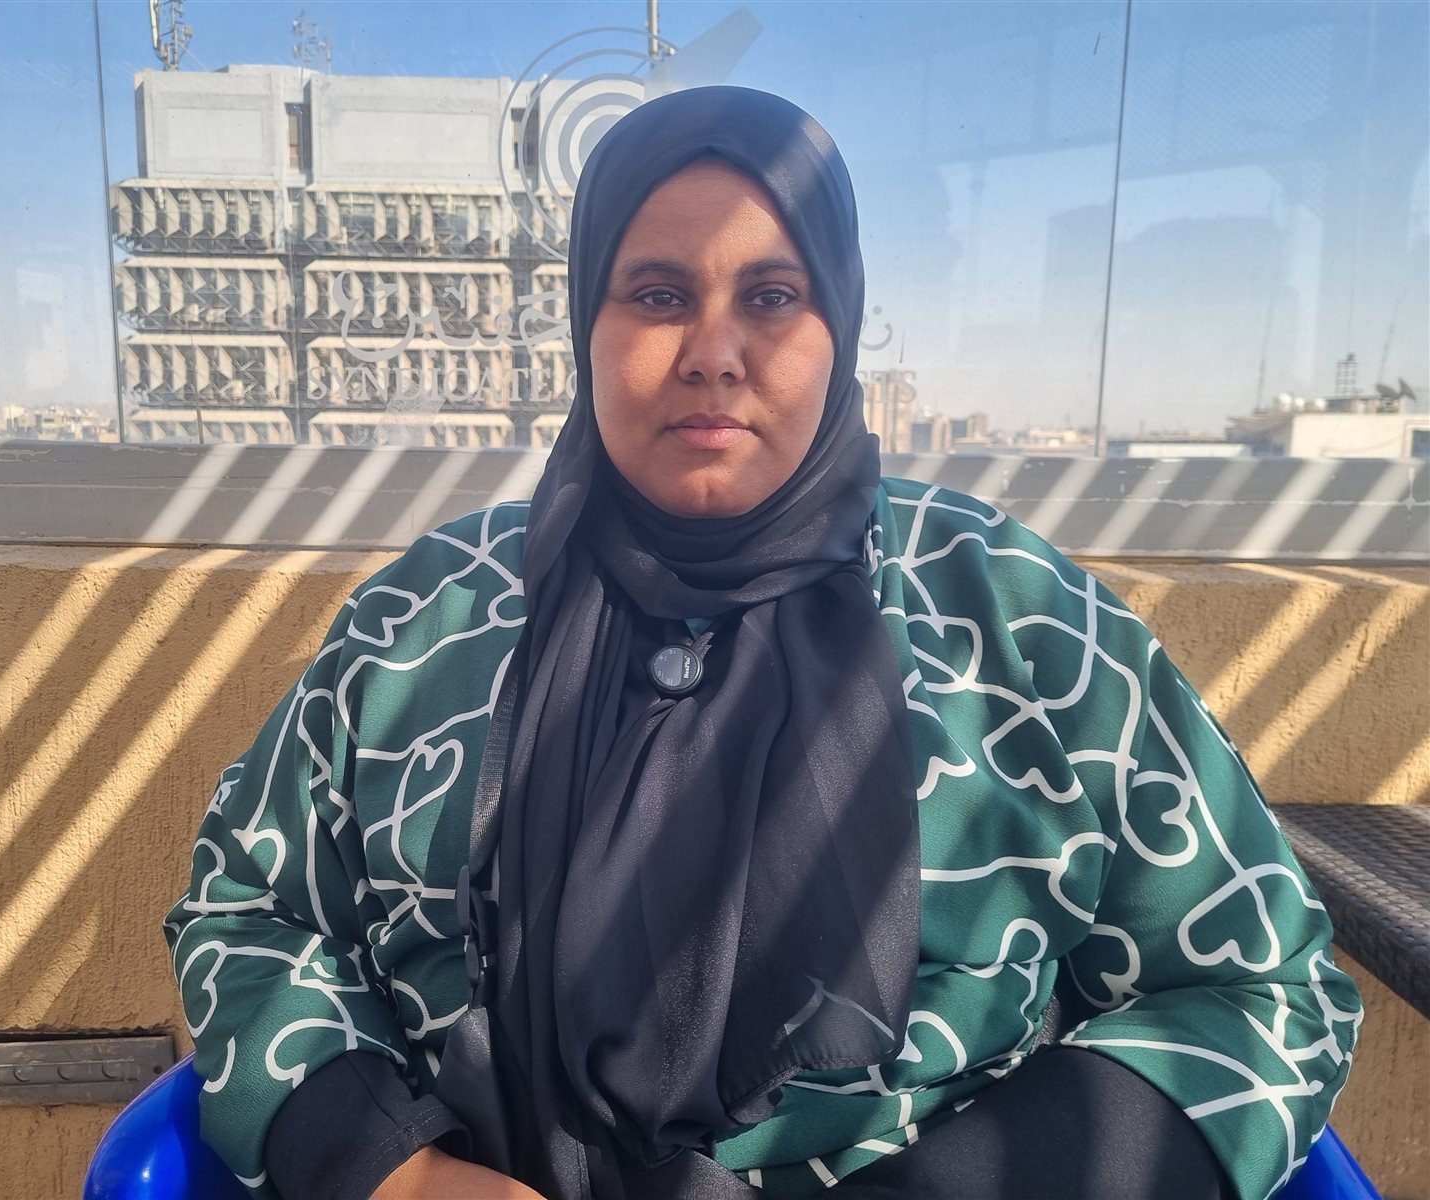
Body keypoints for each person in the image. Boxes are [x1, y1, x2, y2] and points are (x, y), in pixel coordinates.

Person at [164, 87, 1360, 1200]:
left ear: (838, 323)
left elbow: (1259, 991)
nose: (712, 351)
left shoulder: (1015, 622)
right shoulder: (427, 621)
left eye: (773, 297)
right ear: (585, 325)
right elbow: (249, 910)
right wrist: (390, 1167)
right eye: (657, 295)